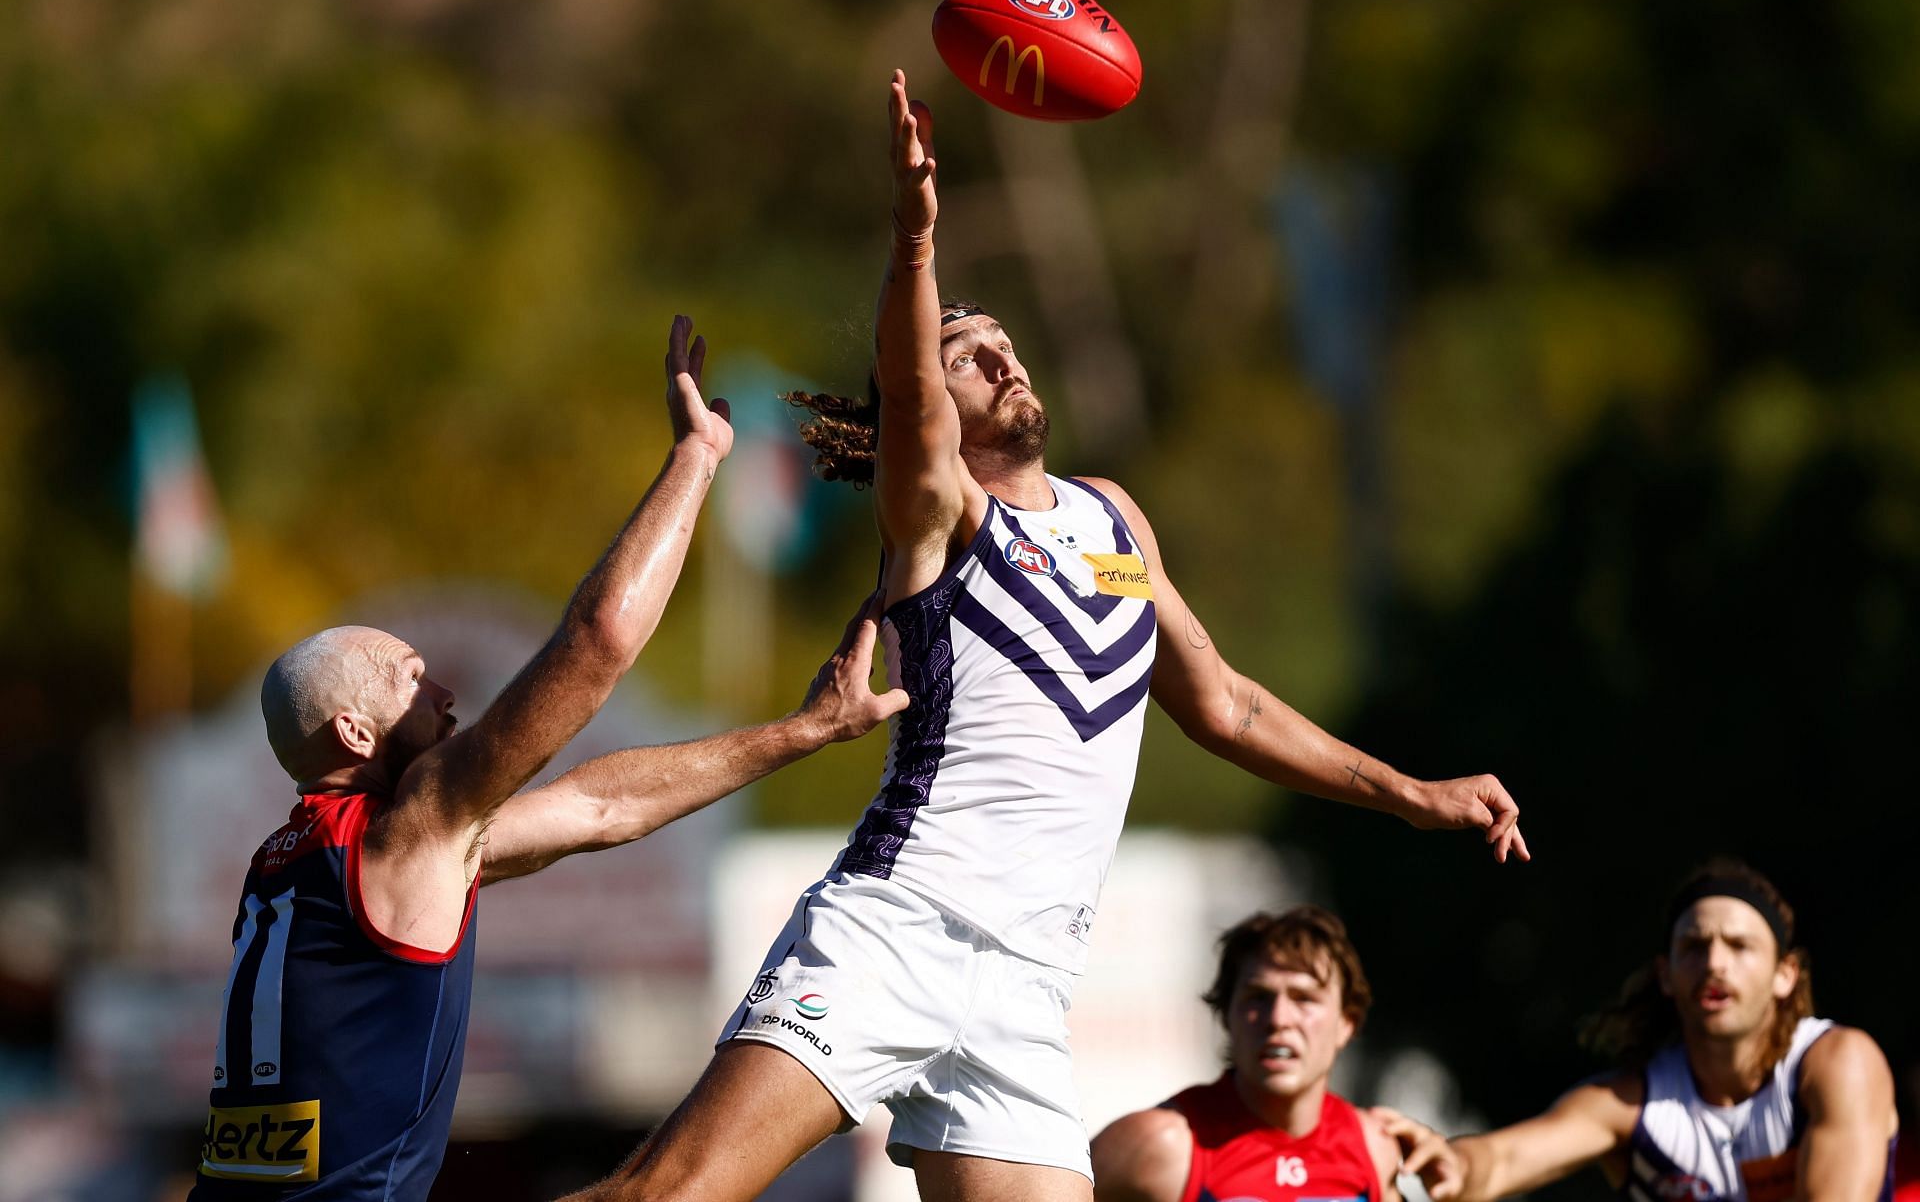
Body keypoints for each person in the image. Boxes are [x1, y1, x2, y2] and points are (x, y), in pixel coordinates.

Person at [569, 73, 1527, 1202]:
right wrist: (916, 243)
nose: (1005, 361)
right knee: (665, 1196)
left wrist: (1412, 792)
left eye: (1009, 344)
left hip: (1027, 980)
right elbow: (913, 395)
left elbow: (1228, 704)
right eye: (971, 353)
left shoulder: (1115, 516)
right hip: (898, 926)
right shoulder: (934, 513)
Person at [190, 317, 908, 1200]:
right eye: (411, 681)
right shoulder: (412, 831)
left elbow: (599, 807)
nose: (443, 693)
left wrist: (800, 731)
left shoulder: (296, 863)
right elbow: (596, 642)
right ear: (352, 734)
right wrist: (697, 459)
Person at [1379, 859, 1899, 1201]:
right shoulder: (1633, 1104)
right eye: (1694, 947)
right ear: (1666, 976)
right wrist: (1454, 1162)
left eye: (1740, 946)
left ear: (1785, 975)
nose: (1715, 963)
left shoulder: (1839, 1063)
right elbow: (1503, 1158)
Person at [1091, 906, 1407, 1202]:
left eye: (1304, 998)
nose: (1278, 1018)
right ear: (1227, 1015)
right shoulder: (1162, 1143)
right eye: (1258, 997)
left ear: (1346, 1023)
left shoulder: (1376, 1149)